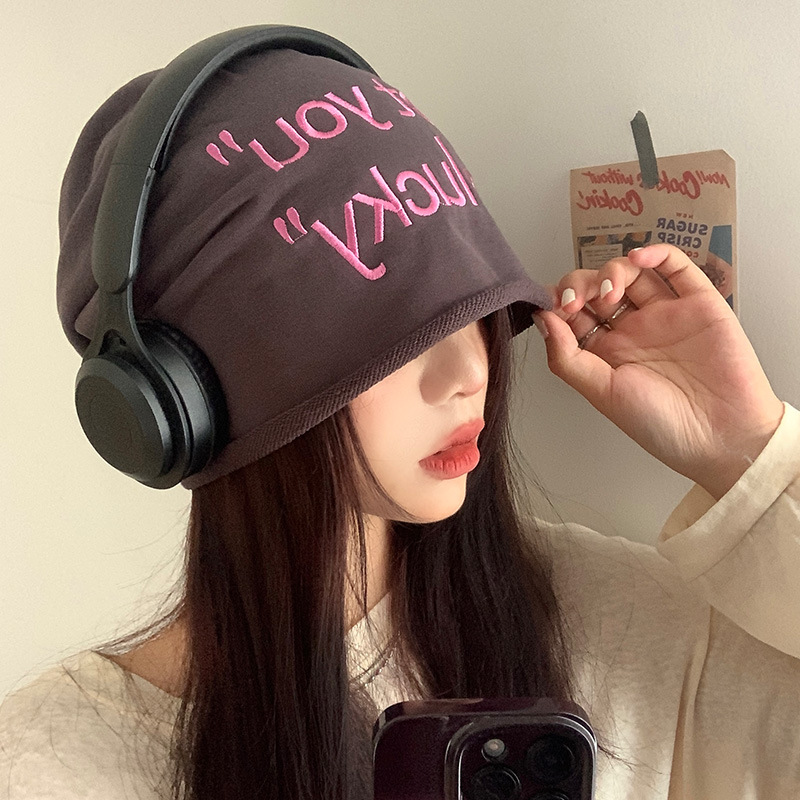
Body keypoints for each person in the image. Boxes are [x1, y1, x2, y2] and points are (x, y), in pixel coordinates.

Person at [1, 26, 799, 800]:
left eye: (471, 310)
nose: (471, 373)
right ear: (187, 400)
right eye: (391, 340)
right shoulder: (51, 766)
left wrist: (749, 452)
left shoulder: (617, 624)